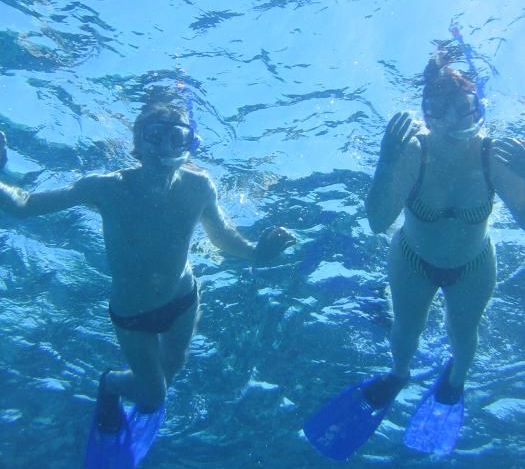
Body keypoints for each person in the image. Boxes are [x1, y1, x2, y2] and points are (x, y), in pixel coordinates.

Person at [0, 103, 295, 430]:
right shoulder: (106, 187)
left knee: (174, 365)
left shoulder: (200, 187)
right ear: (137, 145)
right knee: (155, 396)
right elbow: (26, 206)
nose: (165, 147)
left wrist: (257, 254)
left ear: (188, 145)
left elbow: (221, 235)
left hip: (184, 300)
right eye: (154, 135)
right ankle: (112, 383)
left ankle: (138, 388)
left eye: (177, 136)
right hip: (133, 316)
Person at [364, 51, 525, 421]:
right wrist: (385, 163)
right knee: (405, 329)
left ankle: (457, 380)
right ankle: (399, 374)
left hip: (474, 264)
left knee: (463, 334)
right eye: (438, 108)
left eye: (462, 107)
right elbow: (377, 222)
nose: (451, 119)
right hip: (411, 260)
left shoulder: (494, 156)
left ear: (478, 109)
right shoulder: (412, 153)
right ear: (425, 112)